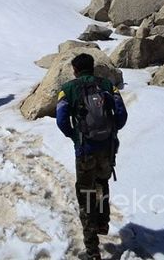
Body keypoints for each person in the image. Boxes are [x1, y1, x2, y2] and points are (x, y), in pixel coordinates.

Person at [56, 53, 128, 260]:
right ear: (93, 68)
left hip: (85, 149)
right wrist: (111, 133)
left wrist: (74, 136)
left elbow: (61, 119)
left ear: (75, 70)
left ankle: (92, 251)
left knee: (86, 195)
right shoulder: (106, 85)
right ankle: (103, 223)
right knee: (102, 182)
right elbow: (121, 115)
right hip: (107, 148)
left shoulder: (68, 88)